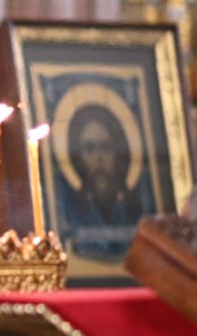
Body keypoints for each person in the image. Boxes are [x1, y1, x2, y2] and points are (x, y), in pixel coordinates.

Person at [61, 103, 146, 261]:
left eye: (105, 147)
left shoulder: (134, 206)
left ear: (116, 154)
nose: (98, 158)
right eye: (90, 149)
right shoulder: (71, 209)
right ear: (79, 157)